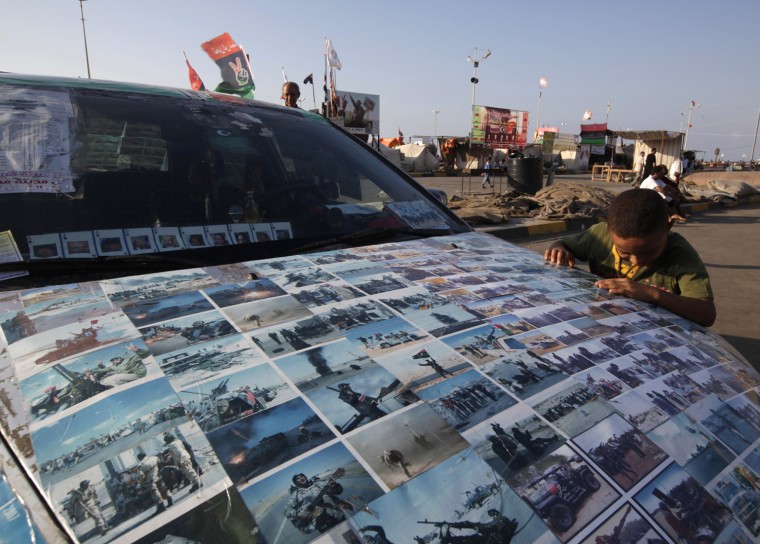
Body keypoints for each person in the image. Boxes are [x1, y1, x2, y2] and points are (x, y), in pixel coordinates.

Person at [544, 189, 716, 326]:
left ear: (668, 226)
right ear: (609, 230)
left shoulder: (681, 254)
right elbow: (563, 243)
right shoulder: (599, 235)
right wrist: (558, 248)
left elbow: (706, 314)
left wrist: (651, 294)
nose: (636, 261)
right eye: (624, 253)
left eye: (648, 252)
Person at [284, 471, 351, 533]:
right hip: (323, 525)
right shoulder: (296, 495)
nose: (301, 478)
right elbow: (287, 510)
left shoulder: (318, 483)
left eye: (302, 476)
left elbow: (337, 489)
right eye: (298, 478)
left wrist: (335, 486)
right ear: (296, 483)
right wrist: (299, 514)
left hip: (337, 516)